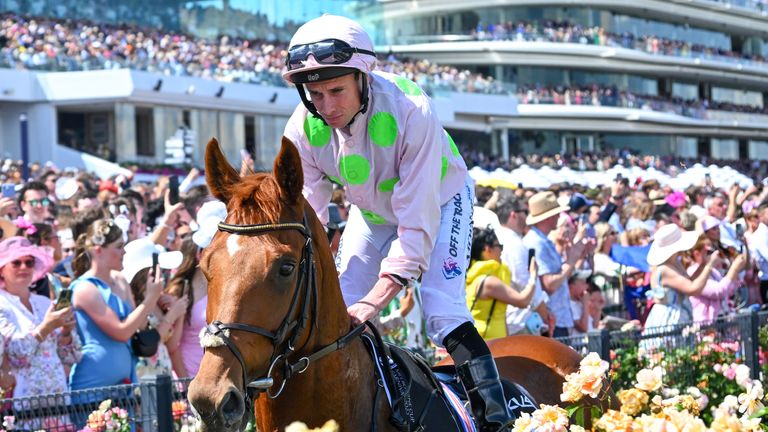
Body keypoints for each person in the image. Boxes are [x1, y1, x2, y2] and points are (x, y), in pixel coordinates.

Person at [281, 15, 513, 429]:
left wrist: (379, 299)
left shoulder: (412, 109)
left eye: (336, 90)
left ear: (363, 78)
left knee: (441, 311)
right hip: (371, 213)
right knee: (338, 309)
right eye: (315, 93)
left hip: (440, 202)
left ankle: (497, 422)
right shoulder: (302, 127)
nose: (326, 107)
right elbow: (306, 219)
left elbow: (417, 225)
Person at [69, 219, 163, 391]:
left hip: (125, 382)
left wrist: (151, 295)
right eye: (119, 246)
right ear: (99, 251)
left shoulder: (120, 280)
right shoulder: (85, 288)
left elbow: (139, 325)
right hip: (92, 386)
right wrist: (150, 298)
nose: (124, 251)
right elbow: (121, 332)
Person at [0, 237, 81, 429]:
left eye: (29, 262)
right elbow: (17, 354)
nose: (23, 267)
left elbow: (73, 356)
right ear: (2, 267)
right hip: (22, 404)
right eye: (16, 262)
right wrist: (47, 327)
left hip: (57, 398)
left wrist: (67, 332)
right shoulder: (2, 305)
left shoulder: (44, 303)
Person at [167, 200, 223, 378]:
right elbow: (173, 346)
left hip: (221, 378)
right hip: (189, 377)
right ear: (200, 254)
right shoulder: (180, 289)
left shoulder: (226, 285)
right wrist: (185, 385)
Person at [466, 227, 537, 340]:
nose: (501, 251)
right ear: (487, 249)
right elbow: (523, 301)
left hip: (490, 341)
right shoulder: (488, 282)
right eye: (499, 246)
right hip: (489, 343)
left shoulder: (475, 277)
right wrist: (533, 275)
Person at [643, 225, 718, 330]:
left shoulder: (674, 263)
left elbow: (689, 282)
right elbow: (693, 289)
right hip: (668, 320)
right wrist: (709, 266)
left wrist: (703, 265)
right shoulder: (665, 269)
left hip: (679, 316)